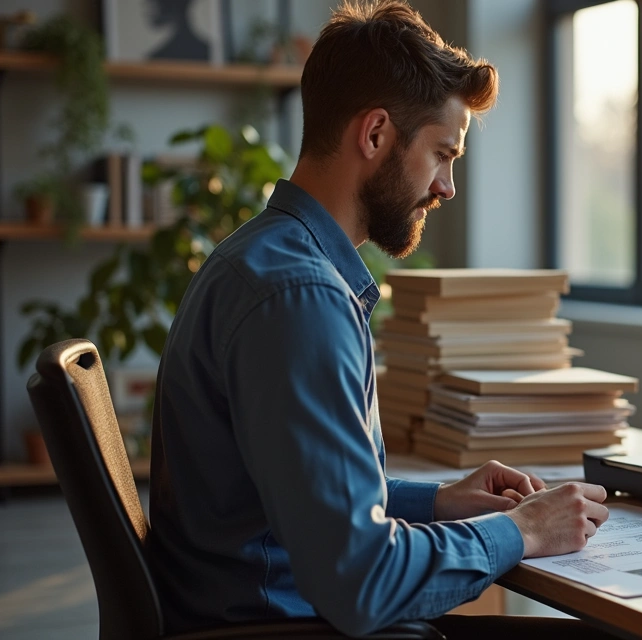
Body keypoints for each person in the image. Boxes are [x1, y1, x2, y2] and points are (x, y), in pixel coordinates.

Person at [145, 3, 612, 638]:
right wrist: (522, 529)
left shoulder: (262, 259)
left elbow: (299, 494)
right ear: (375, 135)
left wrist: (440, 502)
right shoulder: (299, 298)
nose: (447, 187)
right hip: (284, 621)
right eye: (443, 154)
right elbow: (360, 581)